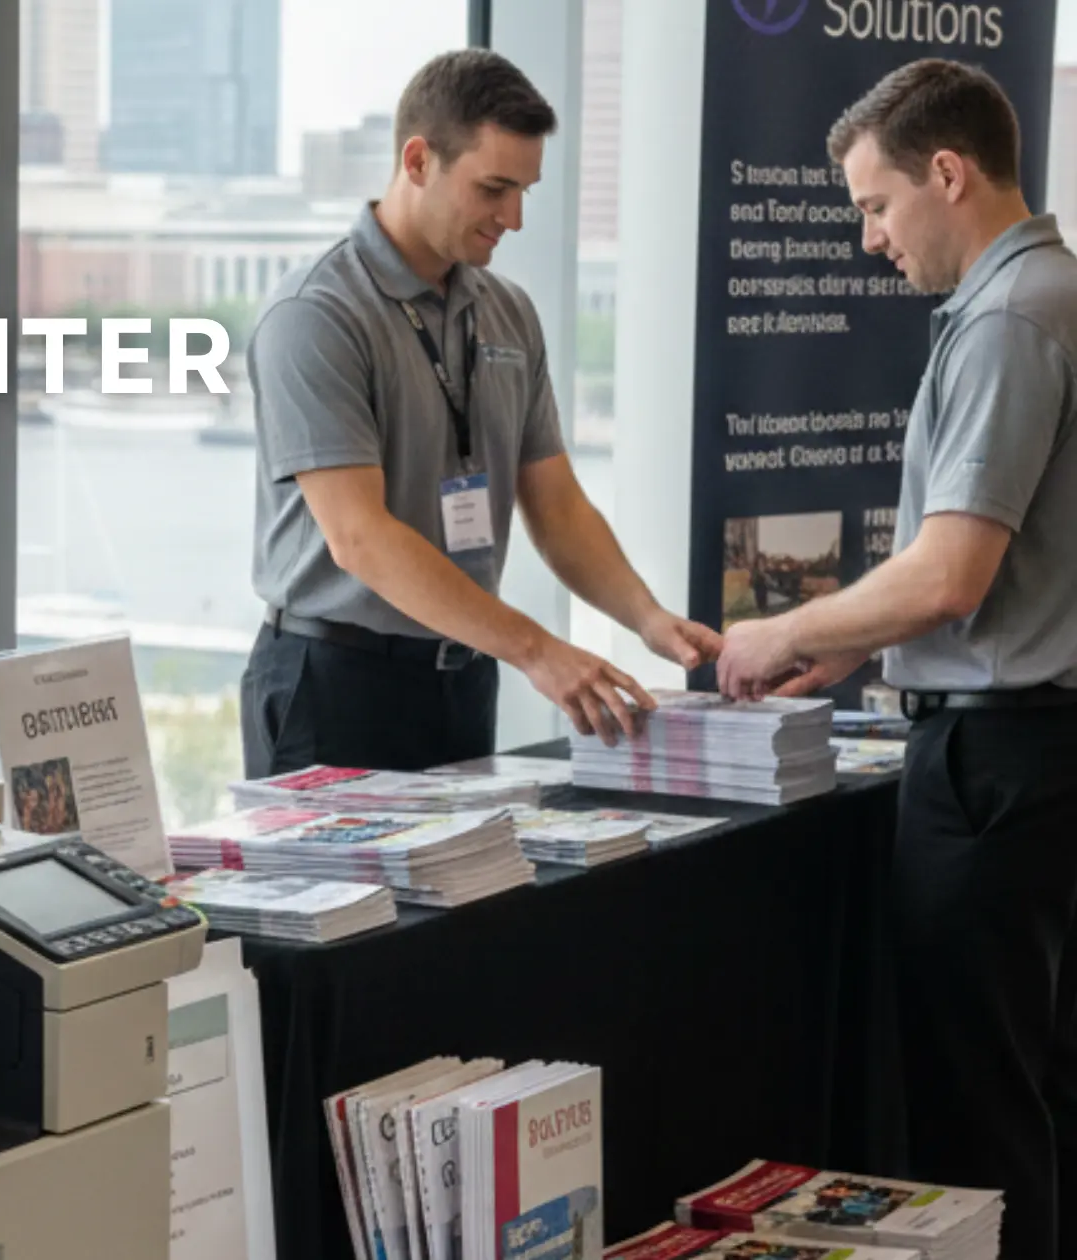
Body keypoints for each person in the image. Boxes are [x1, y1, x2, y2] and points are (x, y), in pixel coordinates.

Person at [716, 59, 1077, 1257]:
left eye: (875, 207)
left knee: (974, 1109)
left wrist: (782, 630)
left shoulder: (1012, 319)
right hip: (1030, 753)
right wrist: (858, 648)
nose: (870, 240)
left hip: (999, 771)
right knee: (1027, 1088)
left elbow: (951, 574)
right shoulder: (1048, 297)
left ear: (945, 172)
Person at [242, 50, 719, 777]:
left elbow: (555, 505)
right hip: (334, 684)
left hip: (464, 678)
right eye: (494, 188)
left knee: (474, 896)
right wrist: (537, 650)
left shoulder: (508, 312)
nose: (515, 218)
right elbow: (360, 539)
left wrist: (650, 622)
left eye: (524, 190)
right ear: (417, 160)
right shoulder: (317, 315)